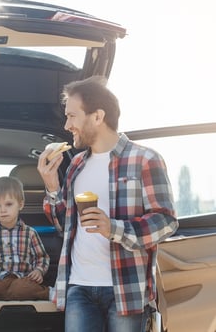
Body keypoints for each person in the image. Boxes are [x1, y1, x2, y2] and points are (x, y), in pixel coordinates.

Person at [37, 76, 178, 332]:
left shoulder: (145, 159)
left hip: (124, 289)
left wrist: (113, 228)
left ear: (97, 116)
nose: (67, 125)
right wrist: (51, 186)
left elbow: (166, 221)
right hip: (79, 287)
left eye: (72, 116)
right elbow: (64, 226)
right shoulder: (76, 165)